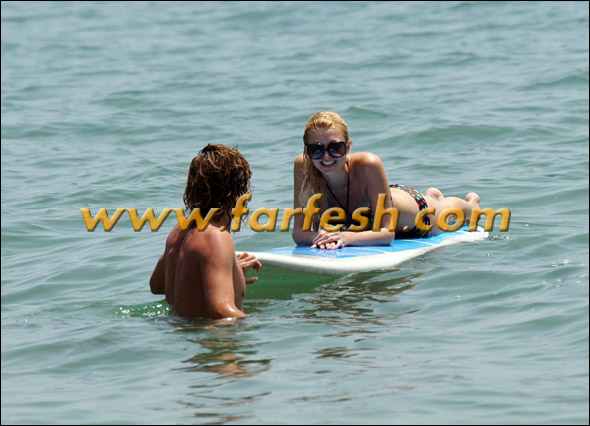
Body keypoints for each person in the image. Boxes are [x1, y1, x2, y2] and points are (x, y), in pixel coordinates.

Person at [293, 111, 480, 249]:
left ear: (348, 147)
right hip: (379, 205)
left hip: (419, 217)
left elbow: (387, 234)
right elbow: (299, 232)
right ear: (307, 151)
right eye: (316, 149)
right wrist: (323, 237)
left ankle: (470, 203)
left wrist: (344, 237)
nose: (326, 156)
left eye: (335, 148)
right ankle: (434, 196)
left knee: (452, 212)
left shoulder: (368, 163)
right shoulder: (304, 167)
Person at [150, 144, 261, 319]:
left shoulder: (180, 230)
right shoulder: (215, 236)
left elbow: (157, 286)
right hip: (208, 335)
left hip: (180, 332)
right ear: (238, 192)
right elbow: (221, 311)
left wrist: (227, 272)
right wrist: (268, 324)